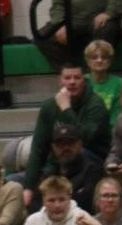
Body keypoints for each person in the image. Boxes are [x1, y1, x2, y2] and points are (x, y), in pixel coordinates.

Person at [22, 63, 111, 201]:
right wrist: (28, 187)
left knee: (80, 152)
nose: (72, 82)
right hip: (59, 161)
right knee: (15, 180)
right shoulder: (49, 107)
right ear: (60, 80)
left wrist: (66, 109)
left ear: (84, 80)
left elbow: (85, 138)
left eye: (77, 77)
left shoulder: (96, 104)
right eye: (67, 77)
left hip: (93, 161)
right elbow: (38, 147)